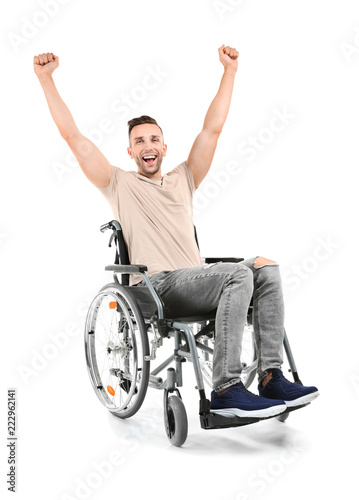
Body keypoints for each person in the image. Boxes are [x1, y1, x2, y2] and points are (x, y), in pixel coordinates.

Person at [34, 46, 319, 419]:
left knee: (266, 267)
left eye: (153, 140)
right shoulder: (118, 183)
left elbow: (212, 129)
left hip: (200, 279)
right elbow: (74, 138)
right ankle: (227, 388)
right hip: (159, 286)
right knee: (237, 274)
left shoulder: (183, 178)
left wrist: (229, 72)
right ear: (131, 151)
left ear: (164, 147)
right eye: (139, 141)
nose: (147, 146)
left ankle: (270, 376)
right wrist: (46, 79)